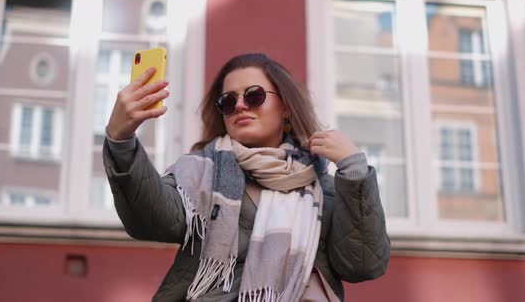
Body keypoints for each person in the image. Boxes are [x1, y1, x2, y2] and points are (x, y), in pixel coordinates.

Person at [103, 53, 390, 302]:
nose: (240, 105)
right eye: (228, 101)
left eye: (254, 96)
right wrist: (121, 140)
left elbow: (362, 265)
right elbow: (150, 220)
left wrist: (354, 171)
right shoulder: (198, 173)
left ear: (286, 106)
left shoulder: (321, 188)